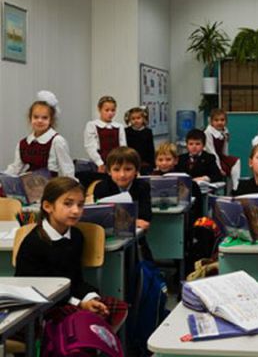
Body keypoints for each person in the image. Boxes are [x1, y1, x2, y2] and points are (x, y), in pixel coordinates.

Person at [15, 177, 127, 331]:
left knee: (117, 308)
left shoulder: (76, 236)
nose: (76, 211)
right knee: (86, 320)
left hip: (69, 299)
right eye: (68, 204)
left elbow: (75, 279)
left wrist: (91, 298)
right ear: (48, 206)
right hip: (43, 306)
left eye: (80, 205)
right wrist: (79, 303)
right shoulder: (34, 243)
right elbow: (38, 291)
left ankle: (89, 343)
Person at [5, 90, 74, 178]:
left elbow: (67, 169)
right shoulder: (23, 143)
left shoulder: (57, 141)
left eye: (44, 118)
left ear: (51, 120)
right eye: (36, 117)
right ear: (30, 118)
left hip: (49, 187)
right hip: (29, 185)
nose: (39, 121)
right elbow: (16, 168)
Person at [93, 147, 151, 231]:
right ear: (109, 171)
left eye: (128, 169)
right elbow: (100, 218)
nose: (122, 175)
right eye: (116, 169)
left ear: (136, 170)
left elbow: (145, 217)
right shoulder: (101, 188)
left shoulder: (143, 186)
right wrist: (132, 221)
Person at [84, 96, 126, 173]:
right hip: (99, 163)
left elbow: (123, 147)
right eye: (106, 110)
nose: (110, 113)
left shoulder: (119, 126)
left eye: (113, 110)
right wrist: (99, 163)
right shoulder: (93, 125)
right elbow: (90, 147)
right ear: (99, 110)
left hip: (117, 162)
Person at [205, 108, 241, 191]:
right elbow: (211, 151)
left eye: (222, 120)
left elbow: (225, 149)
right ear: (211, 121)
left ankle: (236, 188)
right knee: (223, 170)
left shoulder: (225, 131)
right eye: (216, 120)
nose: (219, 122)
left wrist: (227, 160)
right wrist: (219, 168)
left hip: (220, 156)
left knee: (236, 161)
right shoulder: (208, 132)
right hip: (211, 158)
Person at [124, 106, 155, 175]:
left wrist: (153, 164)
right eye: (133, 119)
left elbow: (151, 148)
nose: (136, 120)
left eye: (138, 118)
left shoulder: (148, 132)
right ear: (129, 120)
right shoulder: (126, 131)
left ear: (143, 119)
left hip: (145, 162)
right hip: (130, 160)